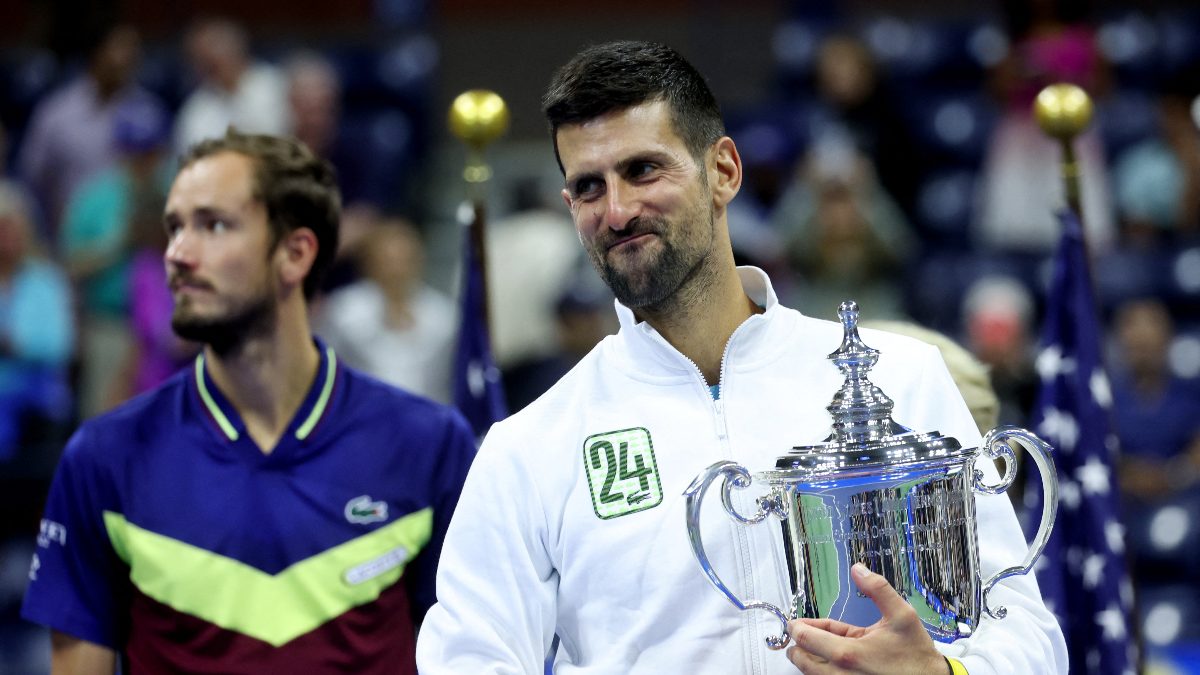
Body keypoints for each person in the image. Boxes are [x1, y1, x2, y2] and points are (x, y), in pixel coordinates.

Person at [417, 41, 1067, 674]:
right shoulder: (530, 445)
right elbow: (467, 657)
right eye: (589, 187)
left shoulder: (901, 379)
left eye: (643, 170)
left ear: (723, 171)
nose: (616, 211)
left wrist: (940, 672)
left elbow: (1029, 636)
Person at [21, 130, 477, 673]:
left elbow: (467, 655)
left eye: (213, 225)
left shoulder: (429, 444)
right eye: (174, 228)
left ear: (295, 253)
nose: (177, 254)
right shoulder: (103, 456)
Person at [315, 218, 458, 404]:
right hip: (364, 418)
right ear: (368, 263)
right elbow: (324, 371)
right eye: (388, 260)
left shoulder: (445, 317)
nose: (396, 270)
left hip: (429, 418)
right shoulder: (343, 312)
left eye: (404, 260)